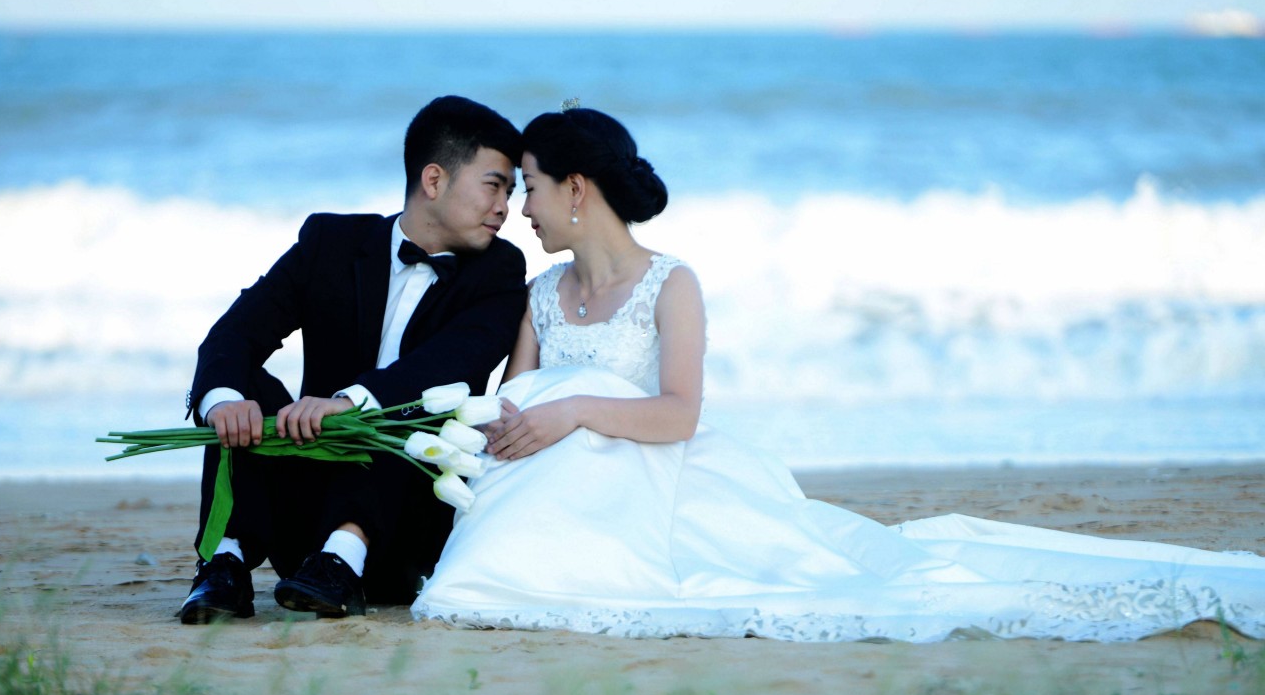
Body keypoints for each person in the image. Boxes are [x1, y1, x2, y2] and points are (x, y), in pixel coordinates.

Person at [410, 106, 1265, 643]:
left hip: (657, 477)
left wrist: (577, 414)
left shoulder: (673, 284)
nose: (520, 206)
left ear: (577, 189)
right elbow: (512, 403)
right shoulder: (542, 292)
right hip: (560, 489)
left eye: (529, 186)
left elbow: (677, 414)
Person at [179, 95, 528, 624]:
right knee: (241, 388)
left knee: (410, 407)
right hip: (304, 513)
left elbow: (452, 361)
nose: (505, 206)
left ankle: (345, 557)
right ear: (433, 181)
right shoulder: (331, 243)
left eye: (510, 190)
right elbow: (238, 329)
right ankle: (225, 562)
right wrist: (223, 401)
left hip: (403, 531)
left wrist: (352, 402)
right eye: (494, 185)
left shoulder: (499, 272)